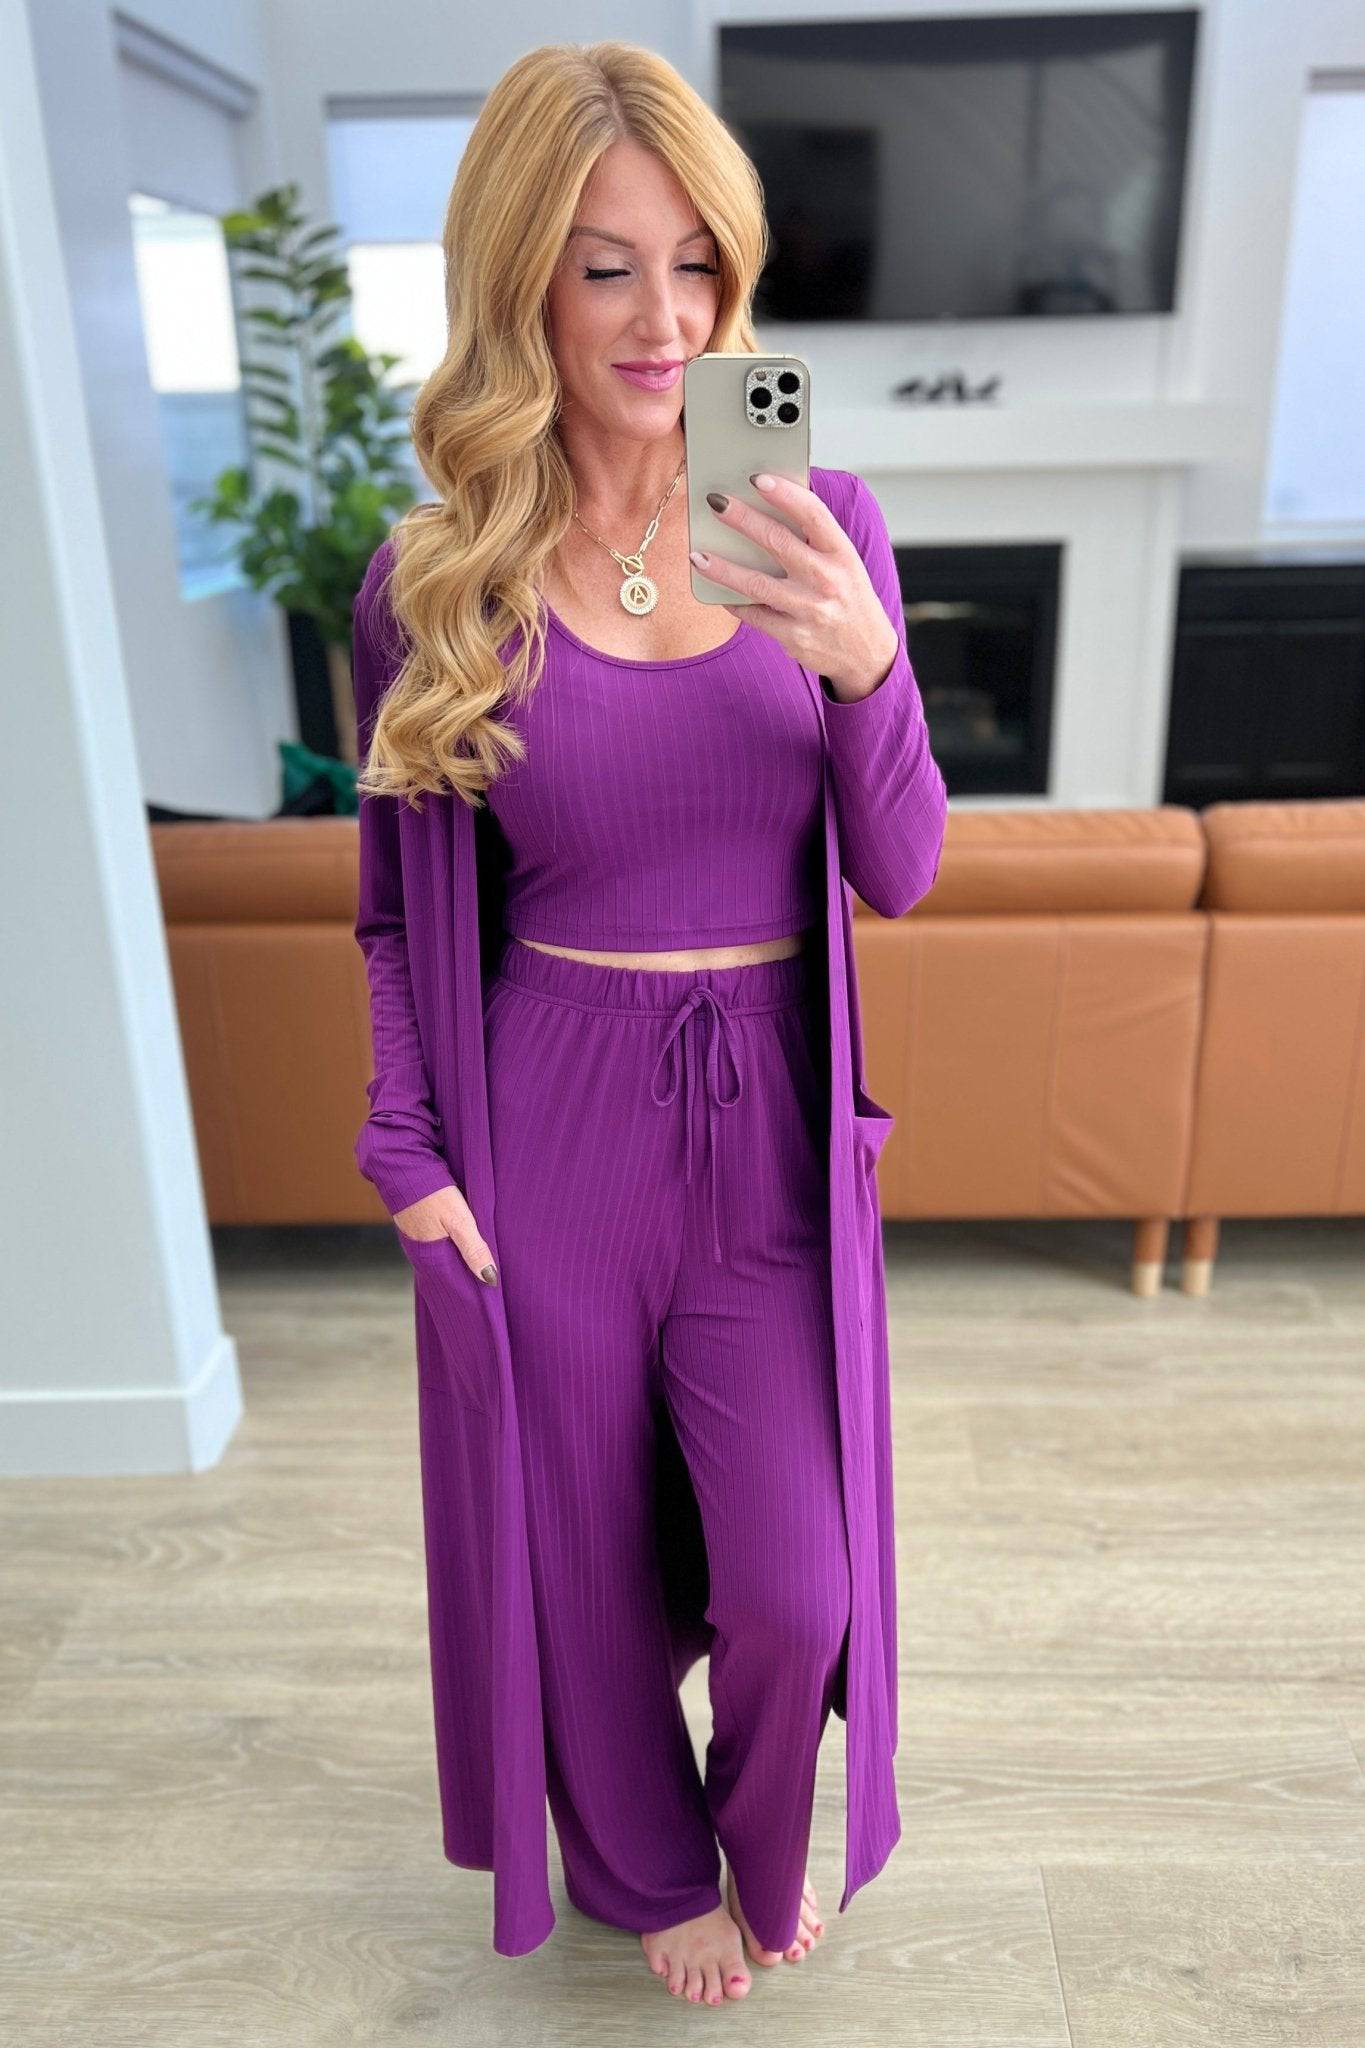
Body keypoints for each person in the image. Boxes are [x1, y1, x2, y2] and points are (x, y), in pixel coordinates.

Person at [352, 41, 947, 2006]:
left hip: (763, 1122)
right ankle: (650, 1866)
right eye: (605, 267)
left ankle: (760, 1835)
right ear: (520, 275)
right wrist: (405, 1148)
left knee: (795, 1581)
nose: (664, 320)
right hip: (553, 1111)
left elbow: (899, 870)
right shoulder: (436, 578)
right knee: (579, 1555)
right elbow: (394, 907)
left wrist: (864, 670)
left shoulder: (810, 513)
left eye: (698, 265)